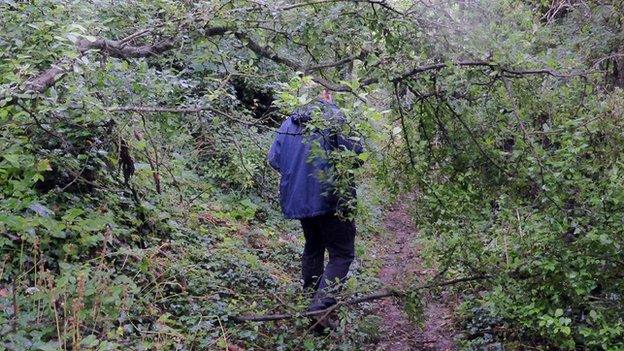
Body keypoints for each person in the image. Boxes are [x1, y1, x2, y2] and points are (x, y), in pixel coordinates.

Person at [267, 88, 363, 331]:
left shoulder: (289, 122)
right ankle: (319, 308)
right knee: (342, 253)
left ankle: (310, 298)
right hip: (332, 198)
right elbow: (355, 154)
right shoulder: (335, 118)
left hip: (300, 201)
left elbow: (274, 159)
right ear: (326, 96)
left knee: (313, 246)